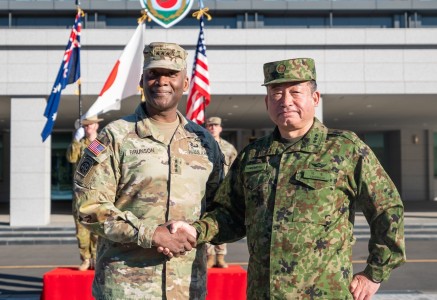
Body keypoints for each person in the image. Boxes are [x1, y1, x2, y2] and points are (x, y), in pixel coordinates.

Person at [166, 58, 406, 299]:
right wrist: (196, 231)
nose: (286, 101)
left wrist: (374, 274)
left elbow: (387, 208)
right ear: (267, 101)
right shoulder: (253, 155)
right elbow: (230, 214)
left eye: (295, 92)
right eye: (276, 93)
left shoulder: (345, 149)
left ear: (315, 98)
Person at [73, 42, 223, 299]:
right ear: (142, 81)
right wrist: (150, 233)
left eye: (171, 74)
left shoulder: (205, 142)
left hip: (186, 286)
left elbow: (222, 206)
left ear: (185, 83)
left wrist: (198, 231)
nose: (162, 81)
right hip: (126, 287)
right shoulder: (114, 136)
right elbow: (89, 208)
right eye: (153, 74)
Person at [66, 115, 103, 271]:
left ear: (96, 126)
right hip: (80, 195)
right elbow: (71, 158)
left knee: (96, 230)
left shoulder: (100, 144)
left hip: (95, 195)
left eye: (90, 125)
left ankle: (96, 258)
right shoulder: (79, 145)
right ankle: (86, 259)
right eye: (85, 126)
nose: (87, 128)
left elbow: (99, 161)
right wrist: (75, 141)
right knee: (81, 231)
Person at [205, 116, 237, 268]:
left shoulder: (228, 148)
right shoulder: (200, 145)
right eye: (210, 125)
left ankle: (220, 256)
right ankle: (209, 255)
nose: (212, 128)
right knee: (206, 220)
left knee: (221, 222)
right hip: (206, 191)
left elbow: (235, 169)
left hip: (223, 190)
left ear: (220, 128)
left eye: (215, 125)